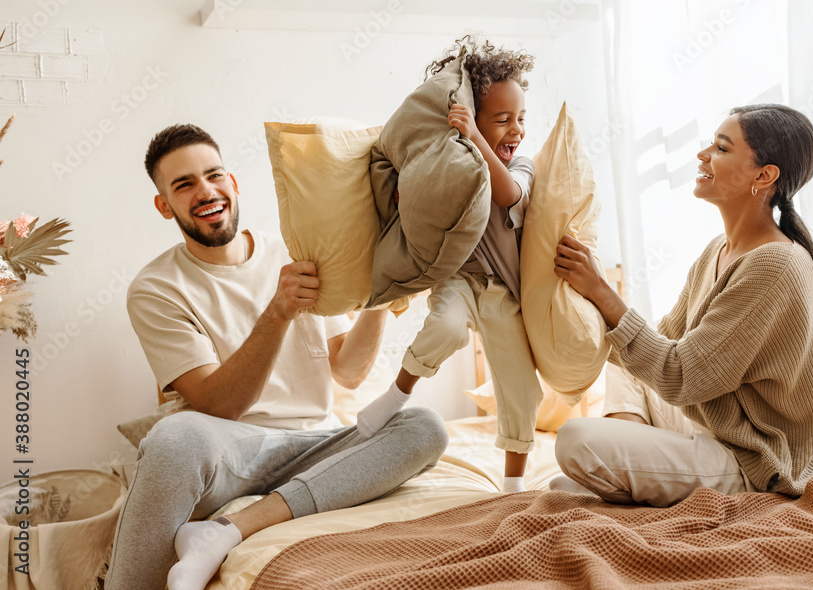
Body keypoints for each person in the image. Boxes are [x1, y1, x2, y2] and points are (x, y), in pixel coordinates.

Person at [106, 124, 449, 590]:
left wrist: (380, 299)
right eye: (184, 185)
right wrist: (278, 312)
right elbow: (217, 405)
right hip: (229, 453)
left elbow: (347, 372)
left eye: (214, 175)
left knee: (424, 426)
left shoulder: (295, 250)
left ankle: (227, 531)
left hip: (313, 447)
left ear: (233, 183)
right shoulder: (156, 289)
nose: (205, 191)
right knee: (173, 437)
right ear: (163, 205)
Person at [550, 104, 813, 506]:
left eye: (721, 148)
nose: (703, 155)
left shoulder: (776, 263)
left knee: (576, 440)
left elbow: (681, 377)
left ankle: (630, 464)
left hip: (755, 459)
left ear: (764, 175)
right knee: (629, 362)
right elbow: (662, 343)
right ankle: (634, 456)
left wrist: (602, 291)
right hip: (716, 420)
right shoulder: (717, 251)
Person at [356, 36, 543, 494]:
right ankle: (397, 394)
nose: (515, 130)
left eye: (520, 119)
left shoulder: (523, 166)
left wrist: (479, 138)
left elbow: (509, 196)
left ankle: (514, 486)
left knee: (520, 388)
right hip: (458, 280)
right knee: (447, 327)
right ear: (468, 116)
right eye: (502, 120)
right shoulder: (449, 167)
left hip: (503, 292)